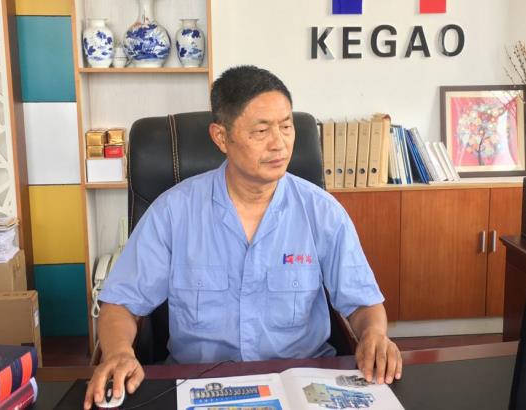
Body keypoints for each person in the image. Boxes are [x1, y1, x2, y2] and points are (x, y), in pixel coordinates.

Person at [83, 65, 402, 410]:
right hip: (200, 386)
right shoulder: (174, 212)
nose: (279, 143)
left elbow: (363, 302)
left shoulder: (322, 212)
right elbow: (120, 304)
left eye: (286, 126)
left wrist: (374, 335)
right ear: (221, 137)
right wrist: (118, 352)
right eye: (261, 131)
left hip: (301, 385)